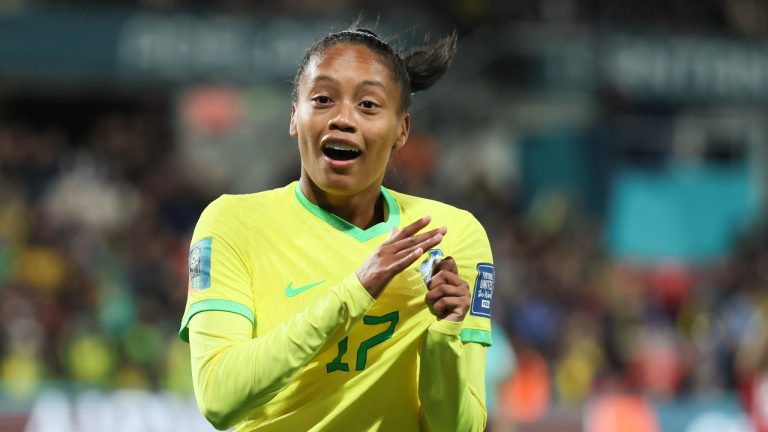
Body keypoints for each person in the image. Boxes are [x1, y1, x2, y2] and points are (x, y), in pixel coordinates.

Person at [179, 24, 495, 432]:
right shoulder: (232, 224)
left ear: (402, 130)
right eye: (323, 99)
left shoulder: (452, 235)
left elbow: (457, 428)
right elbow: (219, 398)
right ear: (295, 116)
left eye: (368, 105)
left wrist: (445, 338)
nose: (343, 119)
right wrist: (355, 291)